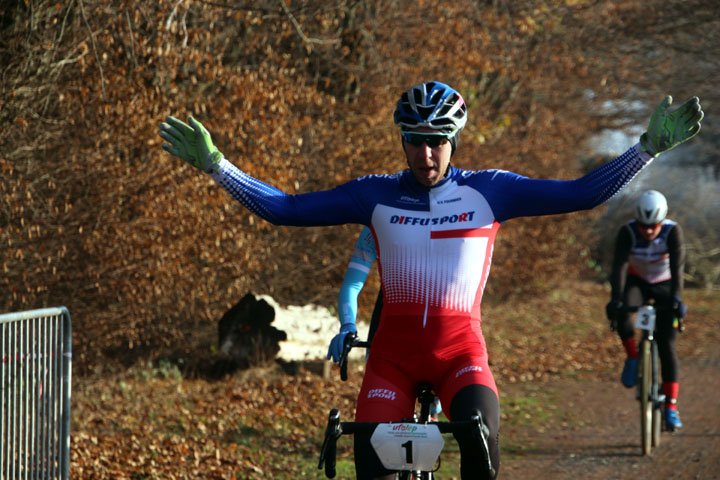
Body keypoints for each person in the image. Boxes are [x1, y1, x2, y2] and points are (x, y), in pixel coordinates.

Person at [159, 82, 702, 479]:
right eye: (415, 141)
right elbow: (284, 209)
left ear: (455, 139)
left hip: (459, 354)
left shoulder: (491, 191)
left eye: (437, 140)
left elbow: (580, 193)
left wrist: (644, 150)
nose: (426, 153)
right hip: (391, 359)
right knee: (371, 467)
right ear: (402, 140)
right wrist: (217, 166)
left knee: (481, 450)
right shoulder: (375, 195)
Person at [329, 224, 444, 420]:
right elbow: (352, 284)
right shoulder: (378, 219)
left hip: (438, 324)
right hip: (388, 323)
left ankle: (432, 413)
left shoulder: (449, 216)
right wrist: (347, 326)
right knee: (378, 422)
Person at [605, 190, 687, 430]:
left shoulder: (673, 232)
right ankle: (632, 356)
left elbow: (678, 267)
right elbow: (618, 267)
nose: (649, 231)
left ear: (662, 221)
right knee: (622, 311)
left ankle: (671, 406)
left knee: (667, 343)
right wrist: (615, 299)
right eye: (644, 226)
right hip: (637, 282)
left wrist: (677, 299)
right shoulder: (628, 232)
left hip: (664, 284)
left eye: (654, 226)